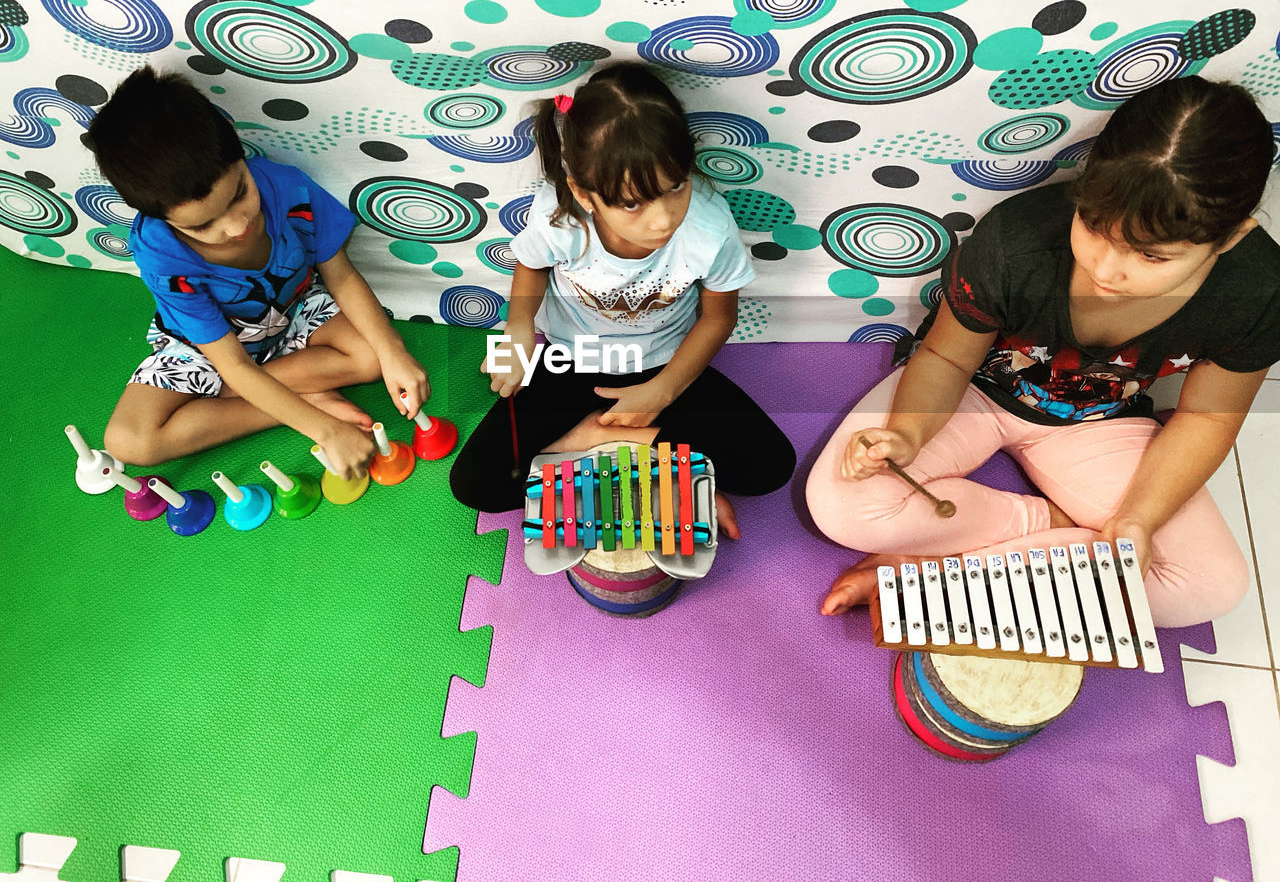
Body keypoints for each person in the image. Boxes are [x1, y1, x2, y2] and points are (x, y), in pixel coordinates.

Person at [806, 75, 1279, 627]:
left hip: (1100, 422)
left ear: (1230, 238)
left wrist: (1139, 521)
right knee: (841, 503)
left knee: (1210, 587)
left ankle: (929, 576)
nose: (1105, 269)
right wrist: (907, 434)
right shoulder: (1019, 240)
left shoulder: (1258, 288)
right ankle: (1049, 527)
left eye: (1150, 258)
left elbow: (1205, 418)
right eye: (1094, 227)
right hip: (975, 391)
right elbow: (946, 359)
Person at [450, 62, 795, 526]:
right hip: (570, 363)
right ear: (585, 193)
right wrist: (517, 332)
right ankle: (604, 444)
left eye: (676, 187)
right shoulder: (559, 215)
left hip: (663, 367)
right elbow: (530, 266)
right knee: (475, 484)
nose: (662, 219)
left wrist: (661, 392)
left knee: (771, 467)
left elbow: (718, 317)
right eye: (632, 203)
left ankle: (639, 451)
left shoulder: (709, 226)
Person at [88, 66, 429, 479]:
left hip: (295, 310)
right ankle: (294, 401)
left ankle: (265, 395)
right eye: (201, 226)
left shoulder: (289, 189)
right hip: (214, 350)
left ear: (238, 153)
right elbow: (231, 365)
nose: (235, 228)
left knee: (373, 356)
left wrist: (394, 353)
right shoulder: (161, 255)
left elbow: (341, 275)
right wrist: (320, 425)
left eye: (238, 194)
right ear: (159, 217)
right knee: (129, 440)